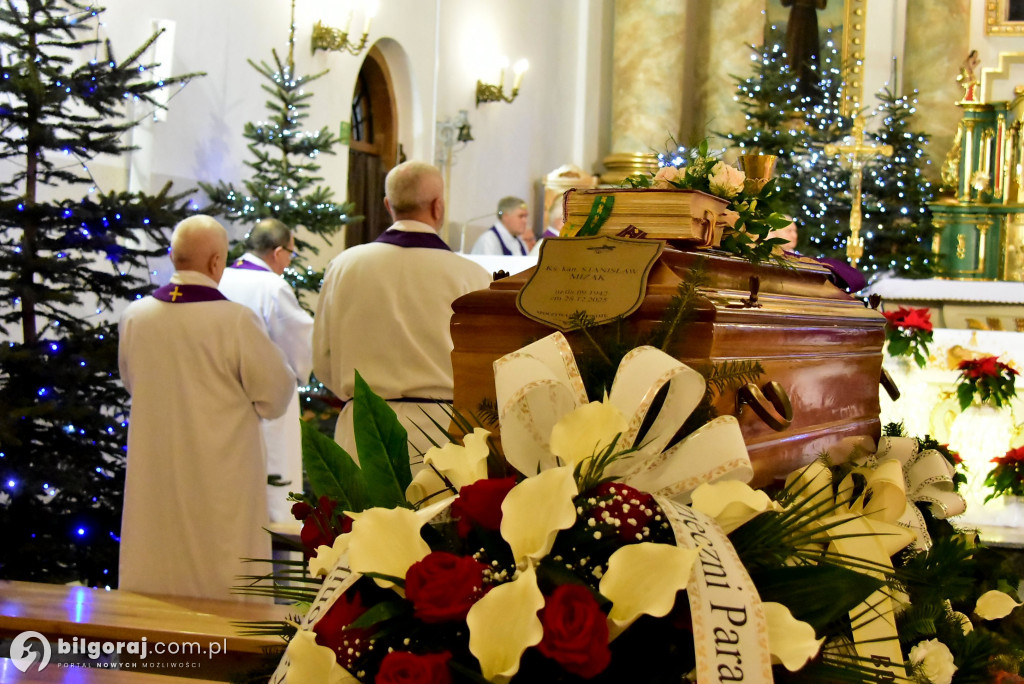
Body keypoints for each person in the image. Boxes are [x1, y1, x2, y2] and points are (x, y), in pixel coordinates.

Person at [118, 215, 295, 601]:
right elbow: (277, 394)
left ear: (172, 256)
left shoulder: (136, 317)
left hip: (156, 474)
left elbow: (133, 383)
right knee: (223, 578)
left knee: (155, 570)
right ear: (217, 262)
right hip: (220, 479)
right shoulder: (234, 321)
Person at [313, 161, 491, 463]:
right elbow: (483, 367)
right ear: (438, 207)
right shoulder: (472, 275)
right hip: (441, 433)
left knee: (363, 512)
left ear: (388, 205)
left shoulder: (344, 266)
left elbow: (323, 360)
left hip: (364, 428)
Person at [218, 218, 313, 523]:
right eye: (291, 254)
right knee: (275, 498)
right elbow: (300, 346)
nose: (289, 262)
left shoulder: (220, 278)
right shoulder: (272, 286)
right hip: (269, 404)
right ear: (277, 252)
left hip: (224, 401)